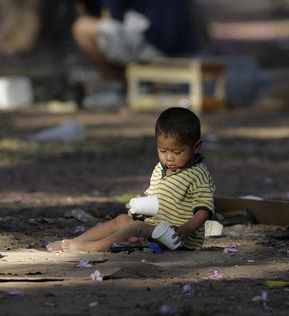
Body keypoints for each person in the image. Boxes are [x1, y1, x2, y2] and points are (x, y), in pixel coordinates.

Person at [47, 107, 216, 252]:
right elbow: (155, 201)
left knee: (136, 227)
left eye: (177, 152)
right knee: (123, 220)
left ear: (195, 147)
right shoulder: (160, 168)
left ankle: (94, 248)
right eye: (163, 151)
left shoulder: (197, 174)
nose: (169, 158)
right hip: (154, 229)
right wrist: (138, 209)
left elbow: (204, 209)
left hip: (177, 238)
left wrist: (186, 229)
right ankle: (78, 241)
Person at [72, 0, 201, 108]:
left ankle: (120, 87)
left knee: (82, 27)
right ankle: (137, 85)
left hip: (156, 39)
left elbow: (114, 18)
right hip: (183, 41)